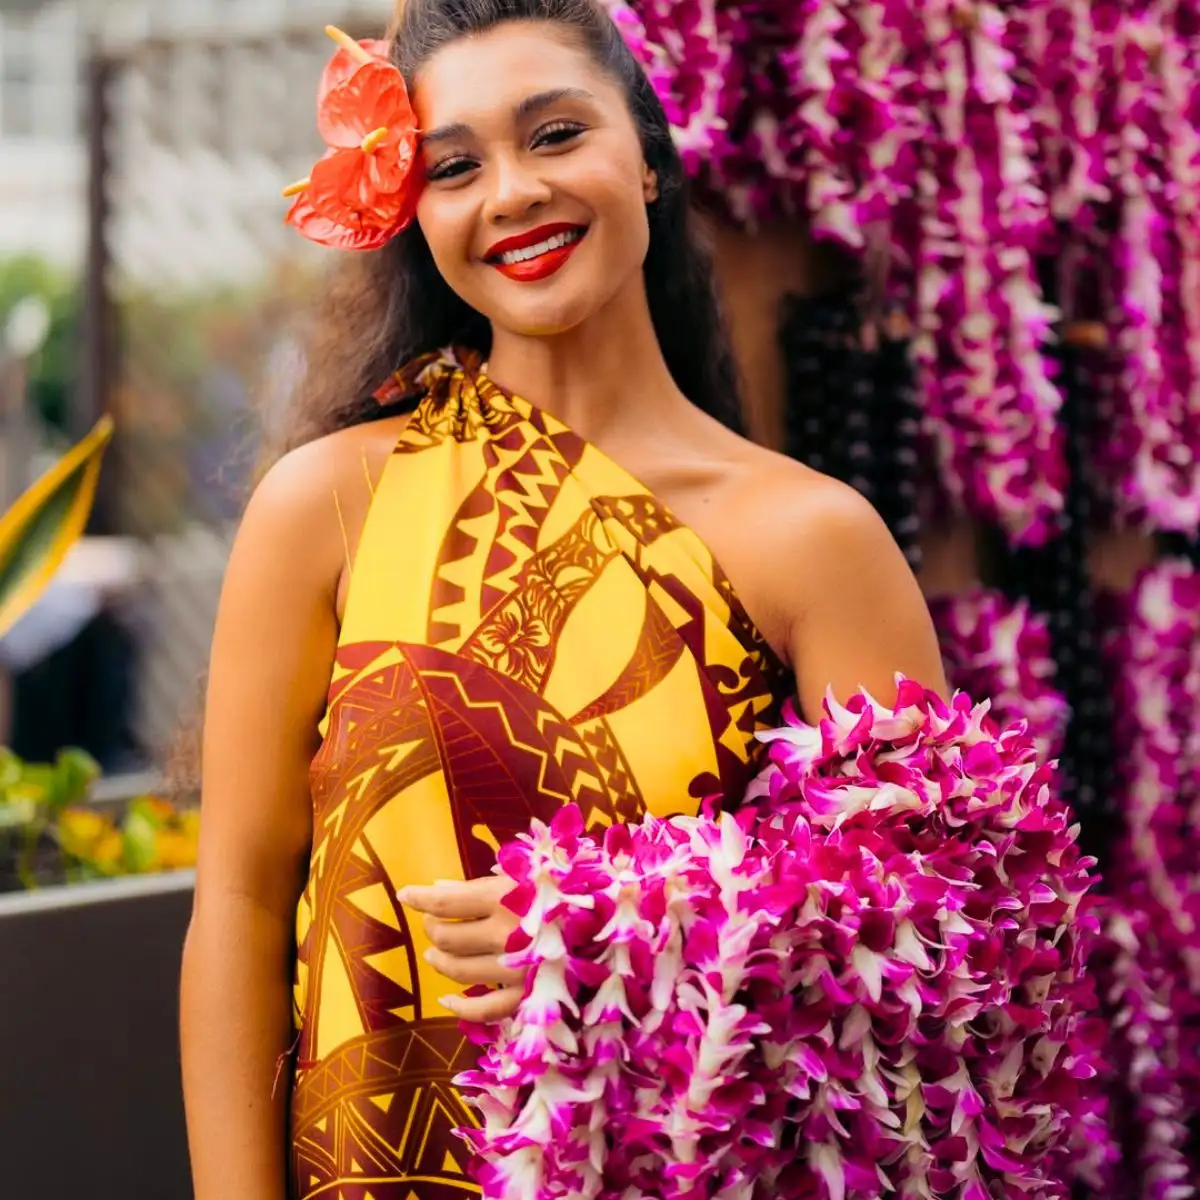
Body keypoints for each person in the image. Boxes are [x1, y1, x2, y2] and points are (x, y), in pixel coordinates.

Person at [179, 1, 948, 1196]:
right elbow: (236, 897)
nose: (510, 194)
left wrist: (633, 918)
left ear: (644, 156)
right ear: (414, 212)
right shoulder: (324, 507)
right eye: (452, 165)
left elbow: (930, 939)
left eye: (553, 134)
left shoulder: (812, 540)